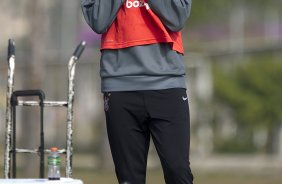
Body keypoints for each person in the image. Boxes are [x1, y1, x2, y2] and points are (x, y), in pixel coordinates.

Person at [80, 0, 193, 183]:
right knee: (128, 178)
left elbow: (177, 17)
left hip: (167, 82)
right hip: (119, 85)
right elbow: (98, 20)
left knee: (178, 171)